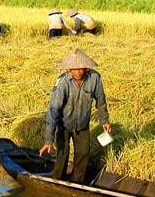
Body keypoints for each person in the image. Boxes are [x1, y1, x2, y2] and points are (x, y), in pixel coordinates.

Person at [39, 48, 111, 183]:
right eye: (74, 69)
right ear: (69, 69)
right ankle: (57, 181)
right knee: (62, 154)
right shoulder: (62, 83)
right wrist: (48, 140)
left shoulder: (94, 78)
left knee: (83, 154)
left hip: (82, 125)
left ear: (87, 68)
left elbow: (101, 101)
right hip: (64, 125)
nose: (78, 72)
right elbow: (53, 112)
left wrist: (104, 121)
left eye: (81, 69)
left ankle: (77, 183)